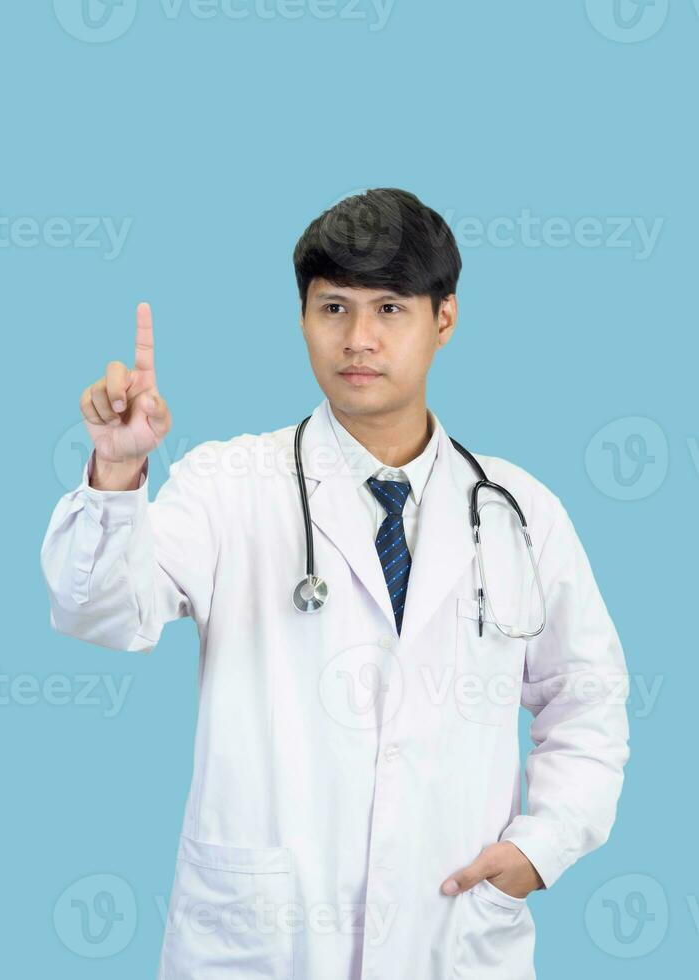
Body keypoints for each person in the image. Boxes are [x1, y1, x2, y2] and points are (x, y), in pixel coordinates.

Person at [39, 188, 630, 980]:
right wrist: (115, 473)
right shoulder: (227, 484)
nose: (358, 339)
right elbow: (102, 613)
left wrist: (543, 844)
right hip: (265, 942)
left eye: (390, 309)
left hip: (451, 934)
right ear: (303, 318)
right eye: (333, 308)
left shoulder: (521, 511)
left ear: (444, 319)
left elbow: (587, 696)